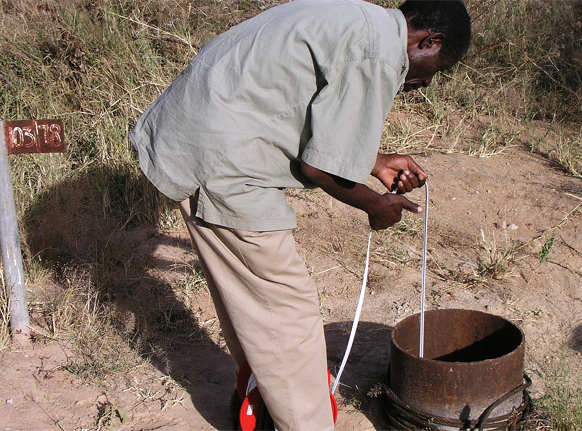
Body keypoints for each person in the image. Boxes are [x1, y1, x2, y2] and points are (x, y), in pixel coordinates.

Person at [129, 0, 471, 429]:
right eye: (436, 68)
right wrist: (376, 206)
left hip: (198, 133)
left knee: (249, 294)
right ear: (428, 41)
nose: (424, 82)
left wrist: (374, 159)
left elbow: (298, 104)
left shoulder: (361, 18)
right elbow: (319, 167)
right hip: (223, 158)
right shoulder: (380, 53)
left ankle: (261, 400)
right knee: (285, 308)